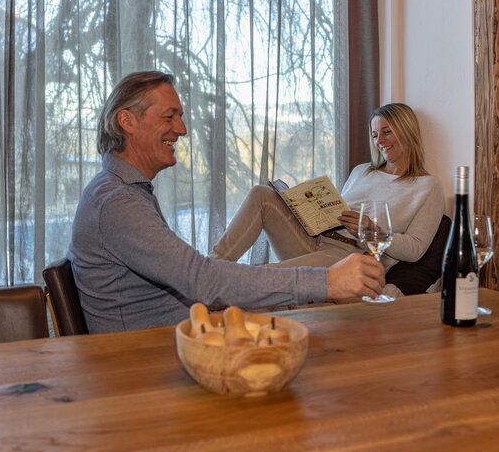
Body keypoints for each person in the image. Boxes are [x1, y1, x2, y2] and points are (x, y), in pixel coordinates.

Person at [67, 71, 384, 333]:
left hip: (178, 330)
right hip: (148, 355)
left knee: (308, 319)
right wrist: (327, 281)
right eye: (170, 116)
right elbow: (200, 280)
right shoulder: (117, 202)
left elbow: (197, 279)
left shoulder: (123, 190)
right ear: (127, 121)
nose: (182, 129)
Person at [211, 103, 445, 296]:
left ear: (406, 130)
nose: (379, 141)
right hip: (317, 239)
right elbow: (338, 212)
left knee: (266, 275)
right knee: (262, 194)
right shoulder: (362, 171)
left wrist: (373, 232)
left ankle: (215, 291)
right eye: (374, 135)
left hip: (349, 255)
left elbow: (415, 250)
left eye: (386, 132)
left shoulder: (428, 187)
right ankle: (207, 271)